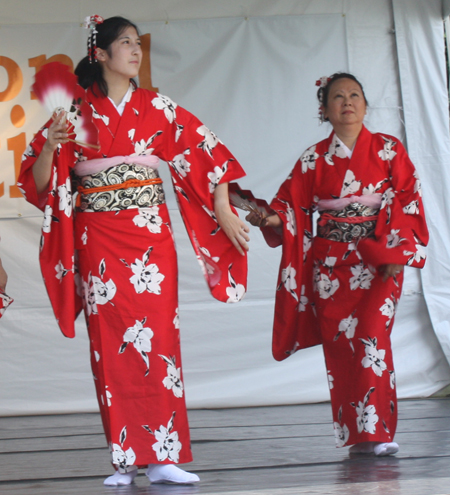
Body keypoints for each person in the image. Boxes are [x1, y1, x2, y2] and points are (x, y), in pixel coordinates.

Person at [19, 15, 249, 486]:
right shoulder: (75, 112)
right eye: (124, 43)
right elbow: (39, 183)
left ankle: (164, 455)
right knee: (112, 344)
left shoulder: (158, 105)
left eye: (137, 43)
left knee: (160, 340)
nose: (135, 50)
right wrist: (49, 150)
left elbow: (207, 154)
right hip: (99, 237)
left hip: (150, 238)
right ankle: (124, 455)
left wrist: (223, 209)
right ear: (99, 54)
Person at [246, 73, 428, 456]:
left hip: (378, 261)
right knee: (342, 348)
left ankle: (377, 431)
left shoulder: (389, 149)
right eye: (338, 97)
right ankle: (357, 436)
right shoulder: (314, 158)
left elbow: (408, 199)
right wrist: (268, 218)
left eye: (355, 95)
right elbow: (290, 207)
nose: (348, 102)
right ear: (324, 109)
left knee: (372, 338)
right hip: (331, 267)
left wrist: (396, 254)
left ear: (365, 104)